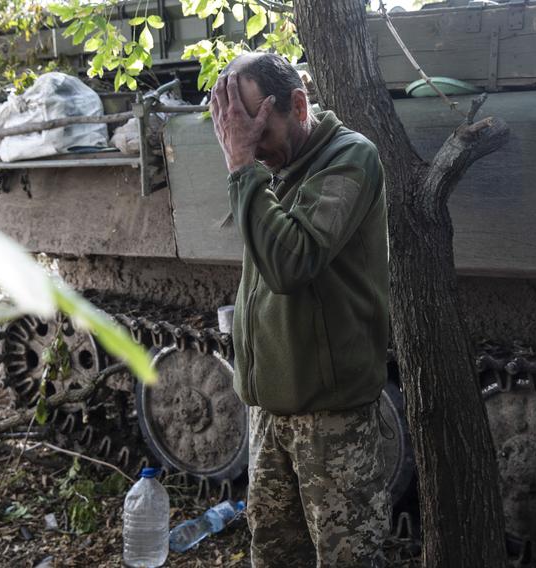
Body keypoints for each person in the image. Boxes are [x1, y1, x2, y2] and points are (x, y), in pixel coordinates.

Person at [208, 52, 391, 568]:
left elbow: (291, 263)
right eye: (238, 133)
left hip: (330, 416)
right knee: (273, 554)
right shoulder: (276, 167)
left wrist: (242, 166)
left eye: (260, 131)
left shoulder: (349, 157)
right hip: (268, 413)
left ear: (298, 103)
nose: (254, 148)